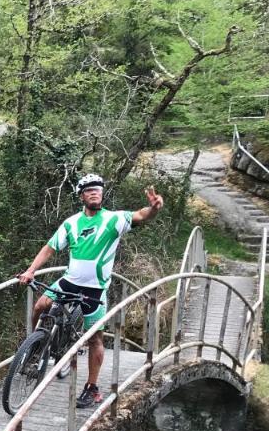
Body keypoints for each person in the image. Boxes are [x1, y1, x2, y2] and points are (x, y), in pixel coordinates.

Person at [18, 173, 164, 408]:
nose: (94, 192)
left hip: (95, 289)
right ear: (81, 196)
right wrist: (30, 270)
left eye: (98, 189)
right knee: (40, 306)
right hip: (69, 281)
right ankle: (35, 346)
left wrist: (153, 208)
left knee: (95, 338)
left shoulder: (113, 220)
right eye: (88, 190)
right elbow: (50, 248)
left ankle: (92, 388)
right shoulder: (72, 223)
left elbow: (140, 216)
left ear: (102, 194)